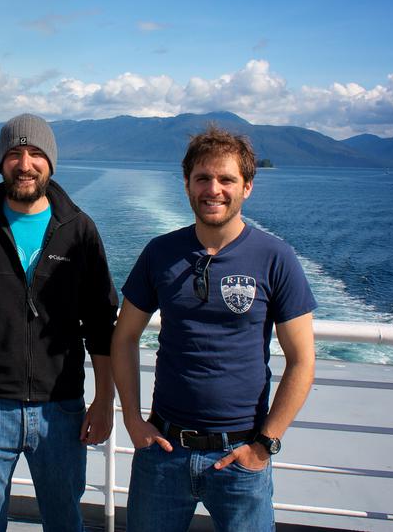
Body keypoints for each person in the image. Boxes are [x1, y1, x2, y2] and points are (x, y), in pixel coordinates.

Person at [111, 126, 317, 531]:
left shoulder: (276, 258)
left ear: (247, 187)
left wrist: (265, 445)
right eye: (203, 178)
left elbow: (302, 360)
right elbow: (123, 337)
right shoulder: (160, 252)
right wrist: (132, 420)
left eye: (226, 179)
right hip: (164, 452)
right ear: (187, 183)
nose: (214, 189)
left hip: (242, 457)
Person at [0, 113, 118, 531]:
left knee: (65, 521)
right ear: (1, 163)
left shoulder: (80, 231)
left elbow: (102, 325)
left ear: (51, 162)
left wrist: (104, 401)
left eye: (36, 153)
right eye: (15, 153)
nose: (25, 163)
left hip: (62, 408)